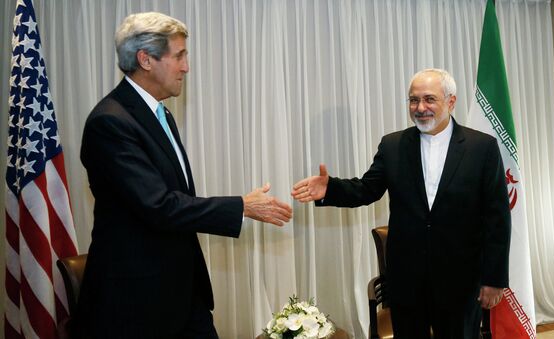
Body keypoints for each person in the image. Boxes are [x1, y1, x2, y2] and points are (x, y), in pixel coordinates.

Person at [76, 12, 292, 339]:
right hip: (136, 303)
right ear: (145, 59)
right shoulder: (110, 123)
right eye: (179, 56)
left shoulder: (160, 114)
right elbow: (159, 206)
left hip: (180, 293)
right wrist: (241, 206)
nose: (186, 67)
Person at [291, 69, 511, 338]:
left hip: (460, 281)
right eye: (413, 100)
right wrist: (331, 188)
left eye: (429, 99)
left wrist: (494, 278)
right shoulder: (393, 145)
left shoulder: (482, 147)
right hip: (407, 280)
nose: (420, 108)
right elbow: (366, 189)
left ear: (451, 102)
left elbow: (497, 217)